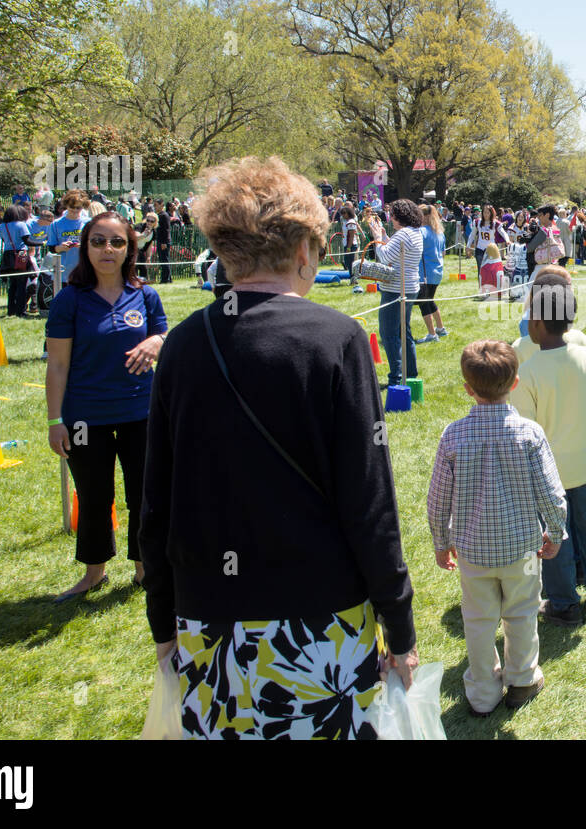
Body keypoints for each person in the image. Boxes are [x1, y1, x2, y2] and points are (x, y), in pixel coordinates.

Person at [140, 156, 417, 739]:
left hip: (209, 618)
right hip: (319, 621)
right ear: (303, 252)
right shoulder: (339, 340)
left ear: (225, 253)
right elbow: (369, 502)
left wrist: (162, 620)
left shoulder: (182, 346)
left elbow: (155, 498)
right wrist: (400, 622)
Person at [427, 340, 566, 716]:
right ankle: (521, 679)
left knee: (478, 619)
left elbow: (437, 499)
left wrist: (441, 542)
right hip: (522, 549)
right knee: (521, 614)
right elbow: (551, 493)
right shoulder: (530, 434)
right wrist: (555, 532)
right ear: (516, 383)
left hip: (473, 552)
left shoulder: (453, 436)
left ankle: (483, 694)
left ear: (467, 387)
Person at [46, 212, 167, 602]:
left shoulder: (145, 295)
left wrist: (157, 341)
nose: (107, 250)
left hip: (141, 413)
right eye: (98, 241)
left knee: (144, 494)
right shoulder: (69, 300)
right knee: (95, 495)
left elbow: (164, 334)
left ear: (130, 248)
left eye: (117, 242)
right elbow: (58, 365)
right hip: (87, 417)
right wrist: (55, 421)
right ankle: (93, 573)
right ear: (85, 248)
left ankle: (144, 569)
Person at [510, 277, 586, 627]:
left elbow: (522, 434)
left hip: (547, 477)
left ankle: (563, 602)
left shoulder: (526, 374)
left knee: (552, 539)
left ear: (536, 325)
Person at [376, 198, 425, 390]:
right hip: (410, 286)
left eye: (392, 215)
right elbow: (396, 251)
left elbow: (385, 255)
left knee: (389, 334)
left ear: (398, 216)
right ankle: (410, 373)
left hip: (396, 288)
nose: (391, 218)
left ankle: (396, 377)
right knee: (404, 331)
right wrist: (384, 238)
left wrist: (376, 238)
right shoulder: (414, 232)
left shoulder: (403, 234)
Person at [416, 204, 448, 343]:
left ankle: (432, 334)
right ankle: (440, 328)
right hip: (437, 272)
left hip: (425, 273)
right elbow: (444, 253)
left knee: (424, 303)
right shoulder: (440, 233)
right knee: (430, 300)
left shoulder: (421, 232)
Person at [0, 204, 35, 318]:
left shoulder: (2, 226)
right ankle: (21, 310)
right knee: (22, 284)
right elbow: (27, 241)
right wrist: (41, 243)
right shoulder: (21, 225)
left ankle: (11, 310)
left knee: (12, 284)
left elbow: (3, 239)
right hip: (21, 254)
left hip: (8, 255)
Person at [152, 199, 172, 284]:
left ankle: (165, 279)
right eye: (154, 205)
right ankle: (169, 278)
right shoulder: (159, 215)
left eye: (156, 205)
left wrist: (164, 242)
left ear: (161, 205)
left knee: (164, 260)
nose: (155, 207)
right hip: (160, 240)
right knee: (163, 259)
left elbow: (166, 230)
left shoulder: (164, 215)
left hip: (164, 241)